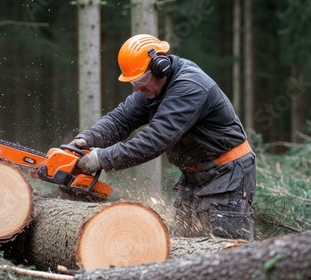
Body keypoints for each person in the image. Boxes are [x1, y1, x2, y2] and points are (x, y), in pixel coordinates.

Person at [69, 34, 256, 240]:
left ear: (160, 66)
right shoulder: (153, 88)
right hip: (193, 175)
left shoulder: (190, 87)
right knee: (185, 245)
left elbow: (155, 140)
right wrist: (85, 140)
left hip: (226, 175)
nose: (136, 88)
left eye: (140, 80)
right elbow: (120, 119)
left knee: (224, 251)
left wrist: (102, 158)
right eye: (133, 81)